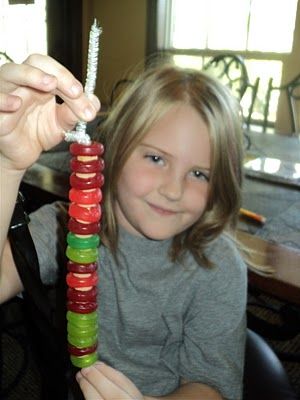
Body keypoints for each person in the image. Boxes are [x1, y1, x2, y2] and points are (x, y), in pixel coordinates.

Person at [0, 54, 247, 400]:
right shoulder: (65, 226)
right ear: (113, 150)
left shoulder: (218, 265)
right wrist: (7, 166)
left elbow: (211, 386)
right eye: (156, 158)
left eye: (200, 174)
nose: (173, 190)